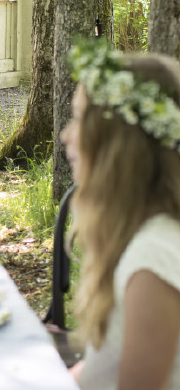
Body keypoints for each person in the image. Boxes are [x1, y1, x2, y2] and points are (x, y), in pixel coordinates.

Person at [62, 40, 180, 390]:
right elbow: (102, 367)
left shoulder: (153, 260)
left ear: (118, 146)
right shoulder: (136, 234)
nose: (66, 135)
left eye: (80, 119)